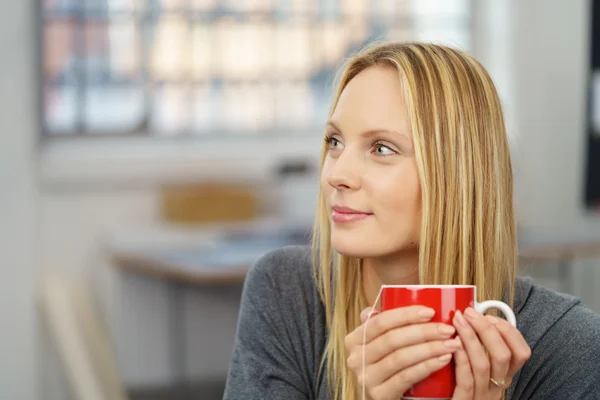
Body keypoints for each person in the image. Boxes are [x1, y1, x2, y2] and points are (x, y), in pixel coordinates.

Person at [222, 42, 600, 400]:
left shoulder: (569, 345)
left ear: (458, 175)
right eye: (335, 142)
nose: (337, 174)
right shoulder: (287, 292)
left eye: (382, 148)